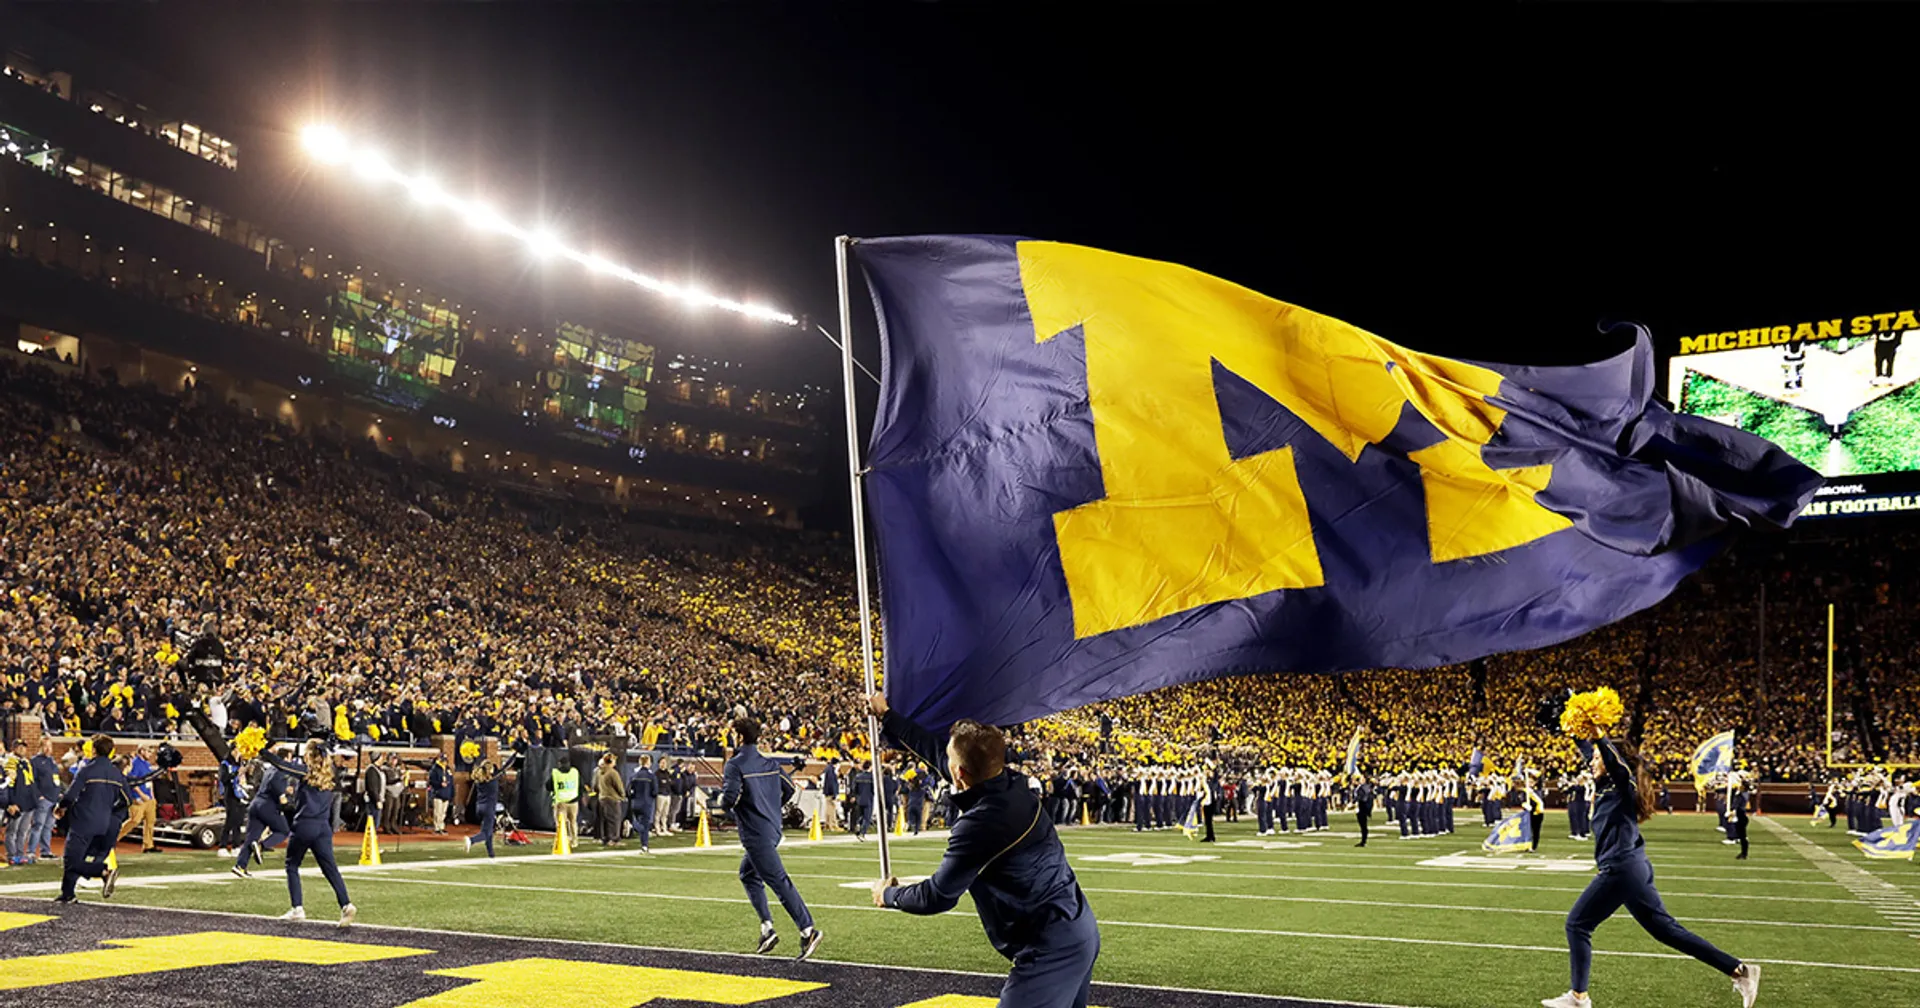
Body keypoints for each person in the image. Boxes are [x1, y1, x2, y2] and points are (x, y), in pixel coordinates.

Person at [869, 693, 1099, 1008]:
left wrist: (889, 896)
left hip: (1050, 948)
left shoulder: (981, 825)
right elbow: (939, 754)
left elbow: (938, 895)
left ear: (959, 774)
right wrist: (888, 717)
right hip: (1076, 926)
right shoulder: (1013, 784)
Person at [1541, 737, 1760, 1008]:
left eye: (1598, 758)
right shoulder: (1607, 784)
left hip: (1620, 869)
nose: (1592, 761)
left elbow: (1614, 762)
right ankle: (1740, 970)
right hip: (1633, 868)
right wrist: (1576, 728)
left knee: (1578, 924)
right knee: (1666, 931)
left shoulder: (1623, 784)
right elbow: (1593, 753)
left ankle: (1578, 998)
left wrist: (1599, 734)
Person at [719, 717, 823, 960]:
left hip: (756, 834)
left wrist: (723, 802)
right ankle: (767, 928)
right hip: (773, 829)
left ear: (740, 736)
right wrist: (770, 806)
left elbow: (730, 800)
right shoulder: (771, 762)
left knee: (778, 881)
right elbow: (788, 789)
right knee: (748, 874)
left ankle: (808, 930)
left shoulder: (735, 765)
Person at [268, 740, 356, 926]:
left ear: (310, 755)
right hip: (323, 828)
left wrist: (260, 750)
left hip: (304, 825)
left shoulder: (305, 772)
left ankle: (297, 908)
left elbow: (281, 764)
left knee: (292, 865)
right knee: (330, 868)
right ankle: (346, 903)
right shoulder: (331, 774)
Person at [54, 735, 127, 903]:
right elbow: (127, 800)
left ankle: (103, 871)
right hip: (104, 823)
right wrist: (108, 809)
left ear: (94, 750)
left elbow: (71, 795)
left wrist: (61, 808)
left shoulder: (87, 770)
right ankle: (68, 894)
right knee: (75, 858)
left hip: (83, 821)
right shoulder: (117, 773)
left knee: (71, 859)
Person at [234, 747, 295, 878]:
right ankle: (263, 846)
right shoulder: (280, 772)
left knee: (251, 838)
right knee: (283, 831)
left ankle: (240, 866)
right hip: (268, 806)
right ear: (284, 759)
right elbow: (280, 795)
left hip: (256, 804)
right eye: (289, 758)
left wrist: (286, 791)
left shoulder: (270, 770)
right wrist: (288, 804)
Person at [118, 744, 159, 853]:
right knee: (134, 820)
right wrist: (140, 795)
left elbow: (150, 781)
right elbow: (133, 782)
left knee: (150, 822)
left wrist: (152, 796)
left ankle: (148, 845)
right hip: (139, 799)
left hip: (149, 798)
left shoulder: (147, 764)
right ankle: (113, 839)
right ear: (142, 751)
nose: (150, 754)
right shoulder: (135, 764)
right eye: (148, 752)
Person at [465, 760, 500, 858]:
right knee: (485, 832)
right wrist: (515, 753)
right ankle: (471, 840)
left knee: (489, 830)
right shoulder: (492, 781)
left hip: (479, 807)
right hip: (489, 808)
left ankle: (491, 853)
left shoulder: (479, 781)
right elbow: (504, 767)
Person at [627, 758, 658, 853]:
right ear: (648, 763)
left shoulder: (634, 775)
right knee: (645, 825)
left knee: (640, 823)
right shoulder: (651, 776)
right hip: (646, 803)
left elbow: (628, 790)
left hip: (635, 803)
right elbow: (655, 791)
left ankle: (644, 845)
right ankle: (644, 844)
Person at [595, 753, 626, 847]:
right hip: (612, 798)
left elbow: (596, 785)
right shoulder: (612, 772)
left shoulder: (599, 772)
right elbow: (619, 786)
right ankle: (614, 839)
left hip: (602, 798)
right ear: (611, 761)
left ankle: (605, 838)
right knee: (614, 819)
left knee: (605, 820)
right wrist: (622, 795)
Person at [550, 758, 580, 849]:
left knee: (561, 823)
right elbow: (580, 785)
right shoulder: (574, 772)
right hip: (573, 801)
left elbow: (549, 785)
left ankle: (562, 840)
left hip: (561, 801)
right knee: (573, 822)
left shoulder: (556, 774)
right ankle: (574, 841)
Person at [428, 755, 454, 835]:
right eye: (443, 760)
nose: (445, 762)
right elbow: (431, 781)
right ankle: (437, 828)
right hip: (438, 793)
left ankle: (441, 827)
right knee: (437, 812)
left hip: (446, 793)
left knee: (443, 813)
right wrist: (439, 784)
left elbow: (451, 782)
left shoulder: (448, 769)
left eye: (446, 760)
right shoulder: (435, 769)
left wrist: (452, 793)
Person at [1353, 774, 1375, 848]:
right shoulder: (1362, 786)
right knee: (1362, 825)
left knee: (1363, 825)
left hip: (1362, 807)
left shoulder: (1364, 787)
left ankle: (1363, 841)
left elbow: (1362, 797)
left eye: (1362, 778)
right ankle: (1363, 840)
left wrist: (1353, 802)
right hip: (1361, 807)